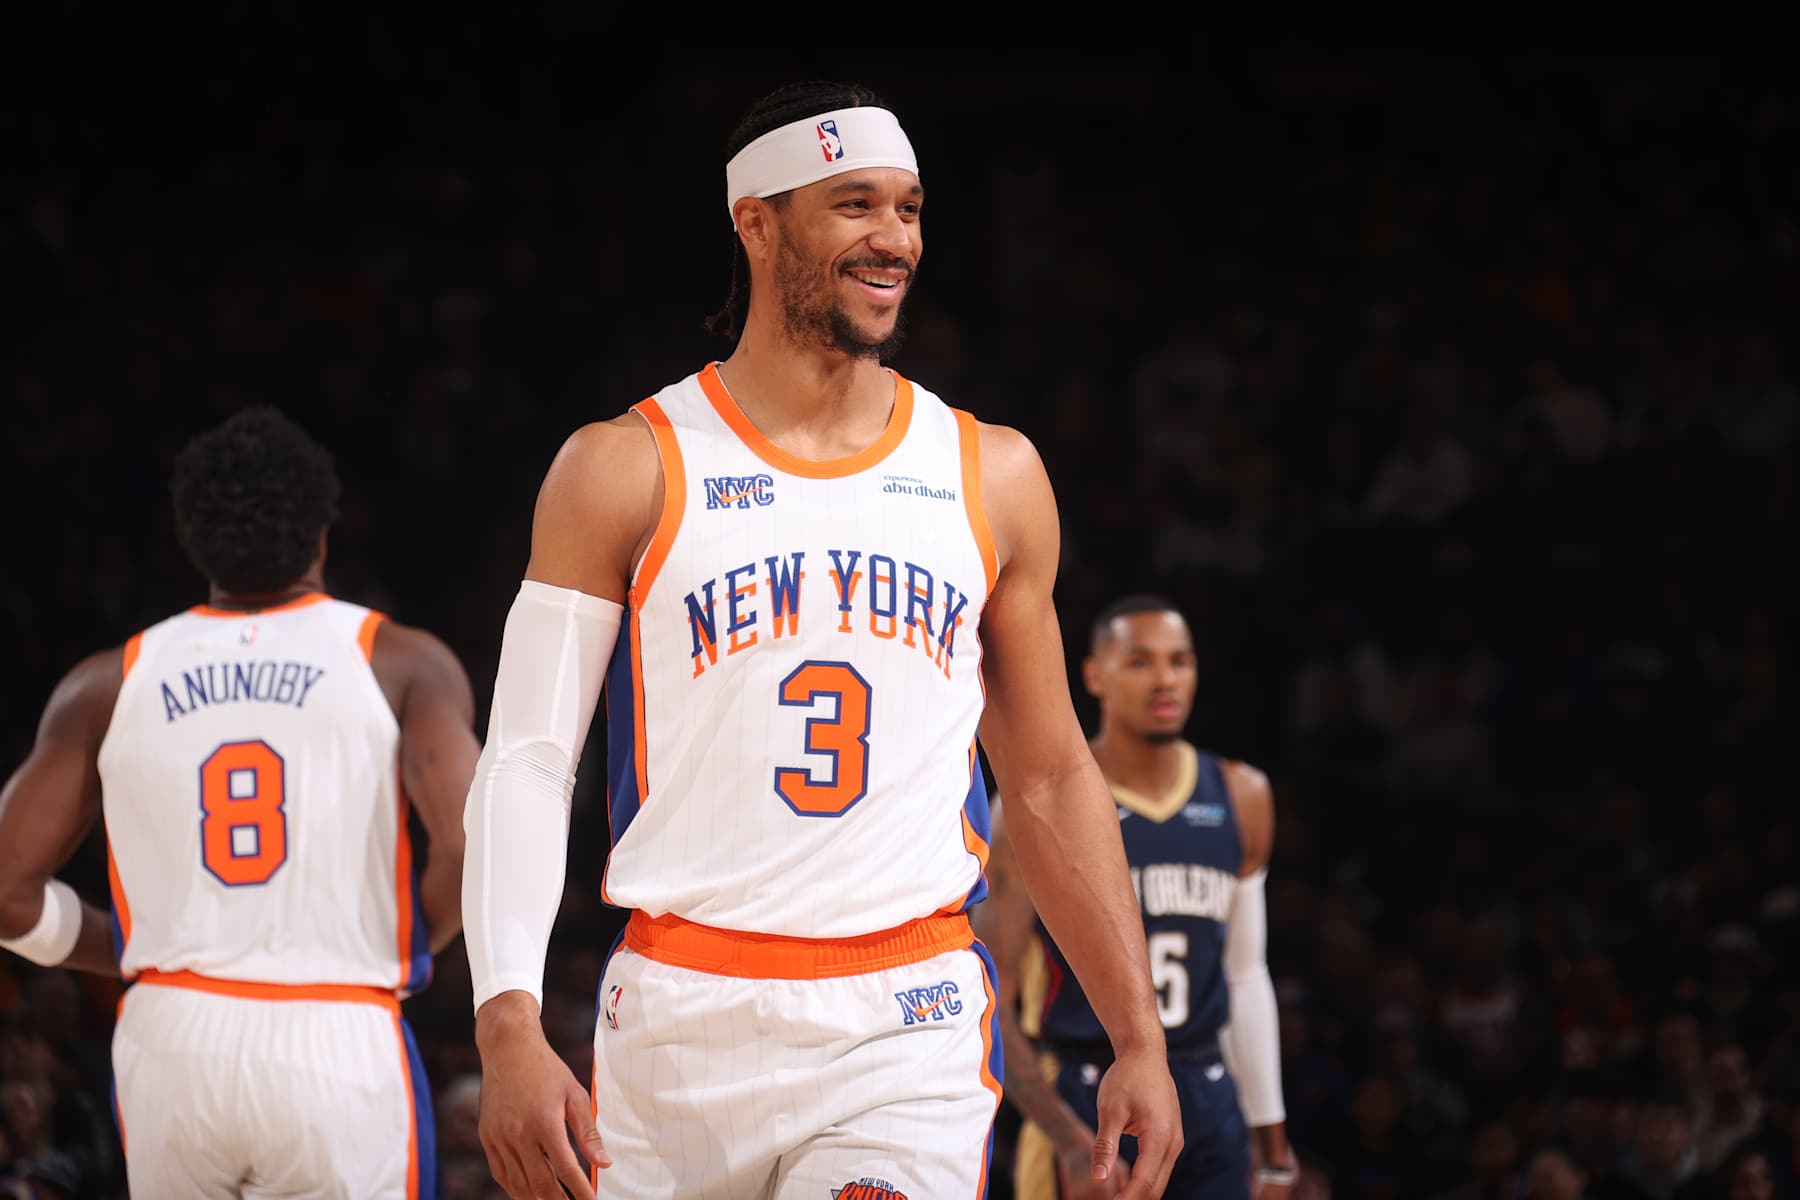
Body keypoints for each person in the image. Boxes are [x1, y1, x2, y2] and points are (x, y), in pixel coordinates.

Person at [462, 79, 1182, 1200]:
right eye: (854, 205)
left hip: (907, 1017)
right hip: (676, 1018)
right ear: (757, 221)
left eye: (909, 207)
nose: (894, 238)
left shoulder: (991, 472)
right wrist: (506, 1018)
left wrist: (1137, 1034)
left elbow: (1044, 775)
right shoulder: (624, 466)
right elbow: (526, 760)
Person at [0, 404, 481, 1198]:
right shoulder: (399, 661)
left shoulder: (106, 681)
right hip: (335, 1026)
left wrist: (127, 946)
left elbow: (10, 897)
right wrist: (398, 943)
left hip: (171, 1033)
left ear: (193, 543)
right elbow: (472, 848)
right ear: (324, 535)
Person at [977, 593, 1296, 1198]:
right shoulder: (1035, 811)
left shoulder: (1240, 794)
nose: (1165, 679)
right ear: (1095, 674)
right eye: (1141, 661)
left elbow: (1246, 978)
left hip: (1205, 1087)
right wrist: (1068, 1137)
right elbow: (991, 996)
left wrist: (1272, 1142)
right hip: (1087, 1088)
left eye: (1180, 661)